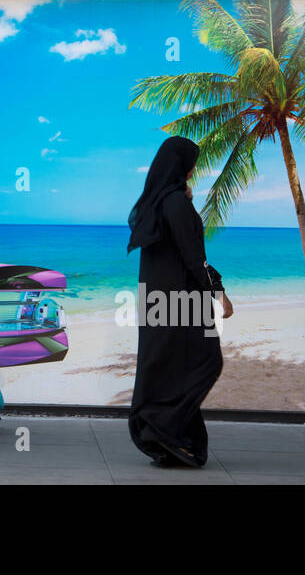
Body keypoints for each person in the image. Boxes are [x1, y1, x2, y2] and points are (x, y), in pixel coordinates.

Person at [126, 135, 234, 468]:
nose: (193, 170)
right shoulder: (174, 203)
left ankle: (168, 439)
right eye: (191, 164)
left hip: (159, 301)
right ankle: (162, 430)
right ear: (180, 165)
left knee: (168, 368)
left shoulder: (158, 203)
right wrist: (220, 292)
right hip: (182, 302)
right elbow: (193, 256)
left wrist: (184, 202)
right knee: (207, 363)